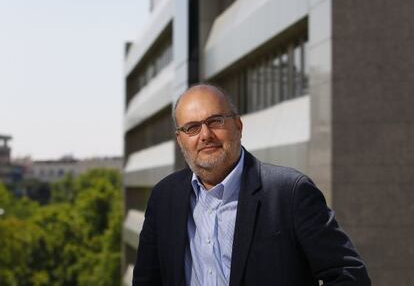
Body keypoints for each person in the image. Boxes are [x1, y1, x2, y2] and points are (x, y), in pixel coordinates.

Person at [133, 84, 371, 285]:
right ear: (180, 139)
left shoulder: (290, 193)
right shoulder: (164, 197)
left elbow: (349, 274)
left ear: (238, 125)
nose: (205, 135)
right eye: (192, 128)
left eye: (215, 121)